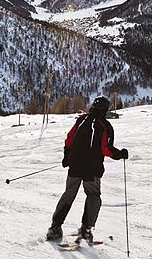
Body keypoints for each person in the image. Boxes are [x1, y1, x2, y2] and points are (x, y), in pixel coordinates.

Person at [47, 97, 128, 242]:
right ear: (105, 109)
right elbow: (106, 149)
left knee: (69, 194)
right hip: (92, 168)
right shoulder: (105, 125)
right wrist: (119, 154)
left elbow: (69, 139)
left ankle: (55, 227)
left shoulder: (82, 119)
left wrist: (67, 156)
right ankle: (86, 229)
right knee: (93, 196)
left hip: (75, 165)